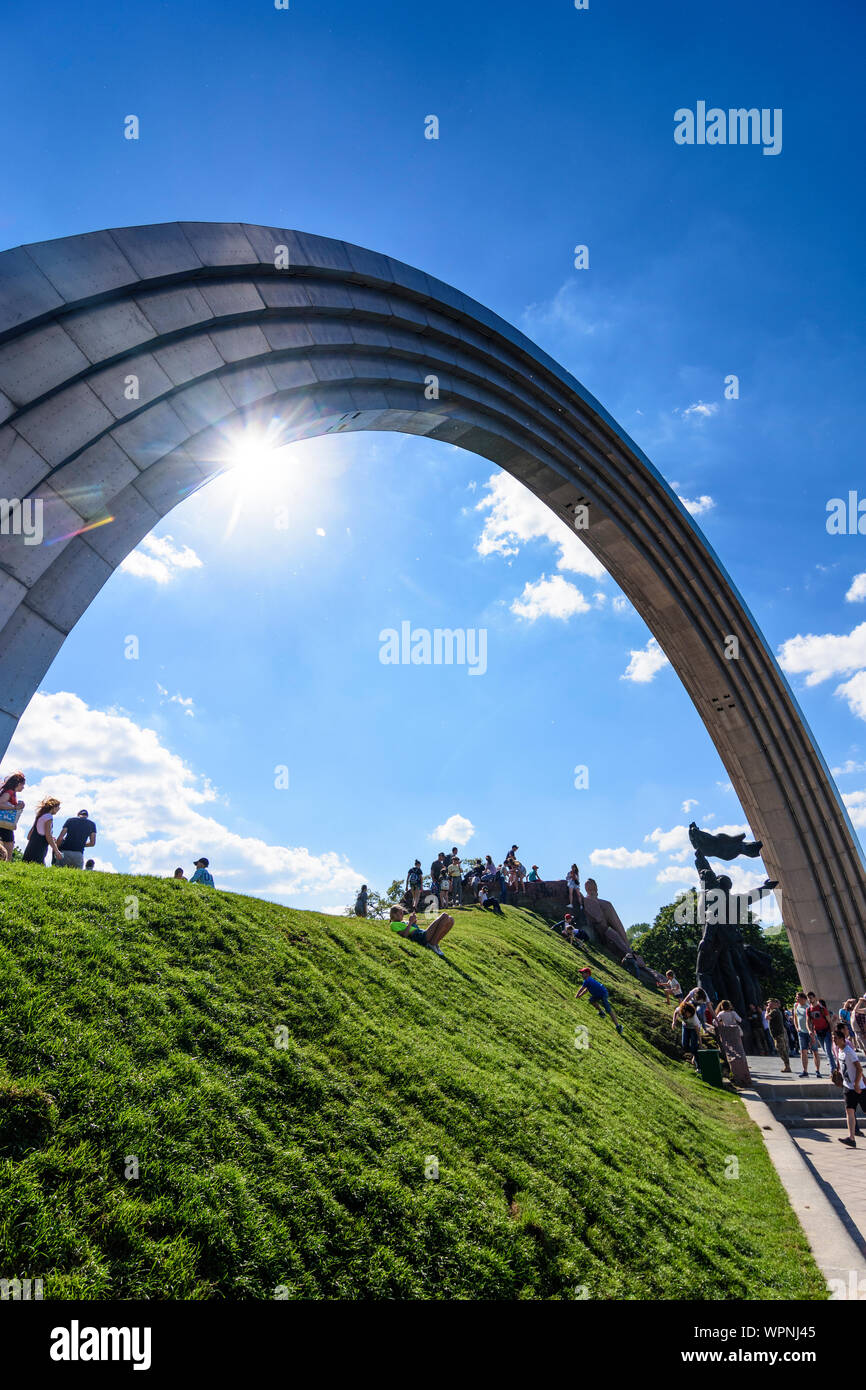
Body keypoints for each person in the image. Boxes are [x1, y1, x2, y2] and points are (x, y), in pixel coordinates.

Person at [833, 1025, 866, 1148]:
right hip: (847, 1087)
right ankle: (851, 1138)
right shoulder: (840, 1051)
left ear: (842, 1039)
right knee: (849, 1111)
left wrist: (857, 1083)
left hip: (858, 1088)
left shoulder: (849, 1051)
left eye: (836, 1038)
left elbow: (859, 1068)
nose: (834, 1040)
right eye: (833, 1038)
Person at [389, 905, 453, 957]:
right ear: (394, 914)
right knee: (444, 916)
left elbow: (411, 928)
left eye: (402, 913)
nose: (402, 915)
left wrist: (413, 922)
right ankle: (432, 944)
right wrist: (410, 922)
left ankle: (435, 943)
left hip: (421, 933)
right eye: (400, 913)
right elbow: (404, 935)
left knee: (451, 919)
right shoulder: (393, 924)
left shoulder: (404, 922)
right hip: (420, 937)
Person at [576, 966, 623, 1034]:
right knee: (591, 1000)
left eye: (583, 973)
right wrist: (579, 996)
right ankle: (601, 1012)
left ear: (588, 974)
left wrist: (577, 995)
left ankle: (618, 1026)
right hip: (598, 994)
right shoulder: (588, 980)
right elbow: (586, 990)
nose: (582, 974)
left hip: (603, 993)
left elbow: (582, 989)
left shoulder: (587, 980)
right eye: (581, 973)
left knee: (608, 1010)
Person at [714, 1000, 751, 1085]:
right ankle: (743, 1068)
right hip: (734, 1030)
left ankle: (733, 1069)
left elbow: (715, 1022)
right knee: (739, 1048)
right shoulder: (733, 1013)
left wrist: (722, 1025)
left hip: (726, 1031)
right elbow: (740, 1020)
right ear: (729, 1006)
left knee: (729, 1049)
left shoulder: (721, 1014)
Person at [21, 797, 64, 865]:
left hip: (30, 848)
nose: (58, 809)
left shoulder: (40, 816)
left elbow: (29, 836)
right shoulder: (49, 817)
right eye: (58, 807)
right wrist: (56, 851)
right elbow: (48, 835)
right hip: (39, 850)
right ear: (53, 807)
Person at [793, 991, 822, 1077]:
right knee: (803, 1051)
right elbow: (795, 1017)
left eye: (798, 997)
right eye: (796, 997)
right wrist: (796, 1027)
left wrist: (812, 1032)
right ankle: (805, 1071)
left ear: (804, 999)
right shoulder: (796, 1006)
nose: (796, 998)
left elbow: (814, 1020)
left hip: (811, 1032)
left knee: (815, 1051)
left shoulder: (809, 1007)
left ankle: (817, 1071)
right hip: (801, 1032)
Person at [0, 771, 26, 862]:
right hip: (4, 824)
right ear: (18, 784)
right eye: (23, 785)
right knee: (8, 849)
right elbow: (0, 803)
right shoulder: (10, 792)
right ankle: (6, 867)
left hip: (5, 824)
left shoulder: (10, 792)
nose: (23, 787)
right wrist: (15, 807)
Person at [807, 992, 834, 1068]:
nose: (809, 999)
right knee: (826, 1051)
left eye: (811, 998)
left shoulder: (822, 1008)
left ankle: (833, 1070)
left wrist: (832, 1033)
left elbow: (830, 1021)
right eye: (808, 998)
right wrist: (809, 1030)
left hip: (826, 1032)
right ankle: (834, 1067)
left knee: (828, 1051)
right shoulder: (809, 1010)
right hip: (818, 1033)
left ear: (815, 998)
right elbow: (808, 1022)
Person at [765, 999, 792, 1073]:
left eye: (769, 1003)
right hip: (779, 1033)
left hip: (778, 1034)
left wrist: (767, 1011)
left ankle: (787, 1067)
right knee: (783, 1049)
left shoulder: (774, 1011)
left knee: (781, 1050)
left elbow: (767, 1018)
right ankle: (787, 1066)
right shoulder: (776, 1011)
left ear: (774, 1004)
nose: (767, 1005)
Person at [674, 1000, 702, 1067]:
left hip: (694, 1029)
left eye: (690, 1013)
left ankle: (698, 1065)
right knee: (684, 1045)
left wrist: (700, 1043)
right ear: (684, 1011)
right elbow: (675, 1013)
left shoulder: (694, 1018)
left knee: (693, 1046)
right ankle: (694, 1052)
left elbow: (698, 1032)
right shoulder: (679, 1010)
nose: (689, 1015)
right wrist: (673, 1022)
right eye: (688, 1013)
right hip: (685, 1027)